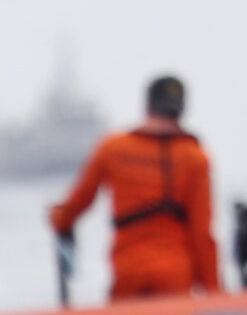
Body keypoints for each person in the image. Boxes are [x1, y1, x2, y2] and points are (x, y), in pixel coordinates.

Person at [49, 75, 221, 300]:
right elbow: (202, 234)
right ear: (181, 110)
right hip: (175, 275)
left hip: (128, 272)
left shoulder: (112, 148)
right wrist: (215, 293)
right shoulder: (195, 158)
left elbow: (77, 204)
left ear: (147, 105)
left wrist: (59, 218)